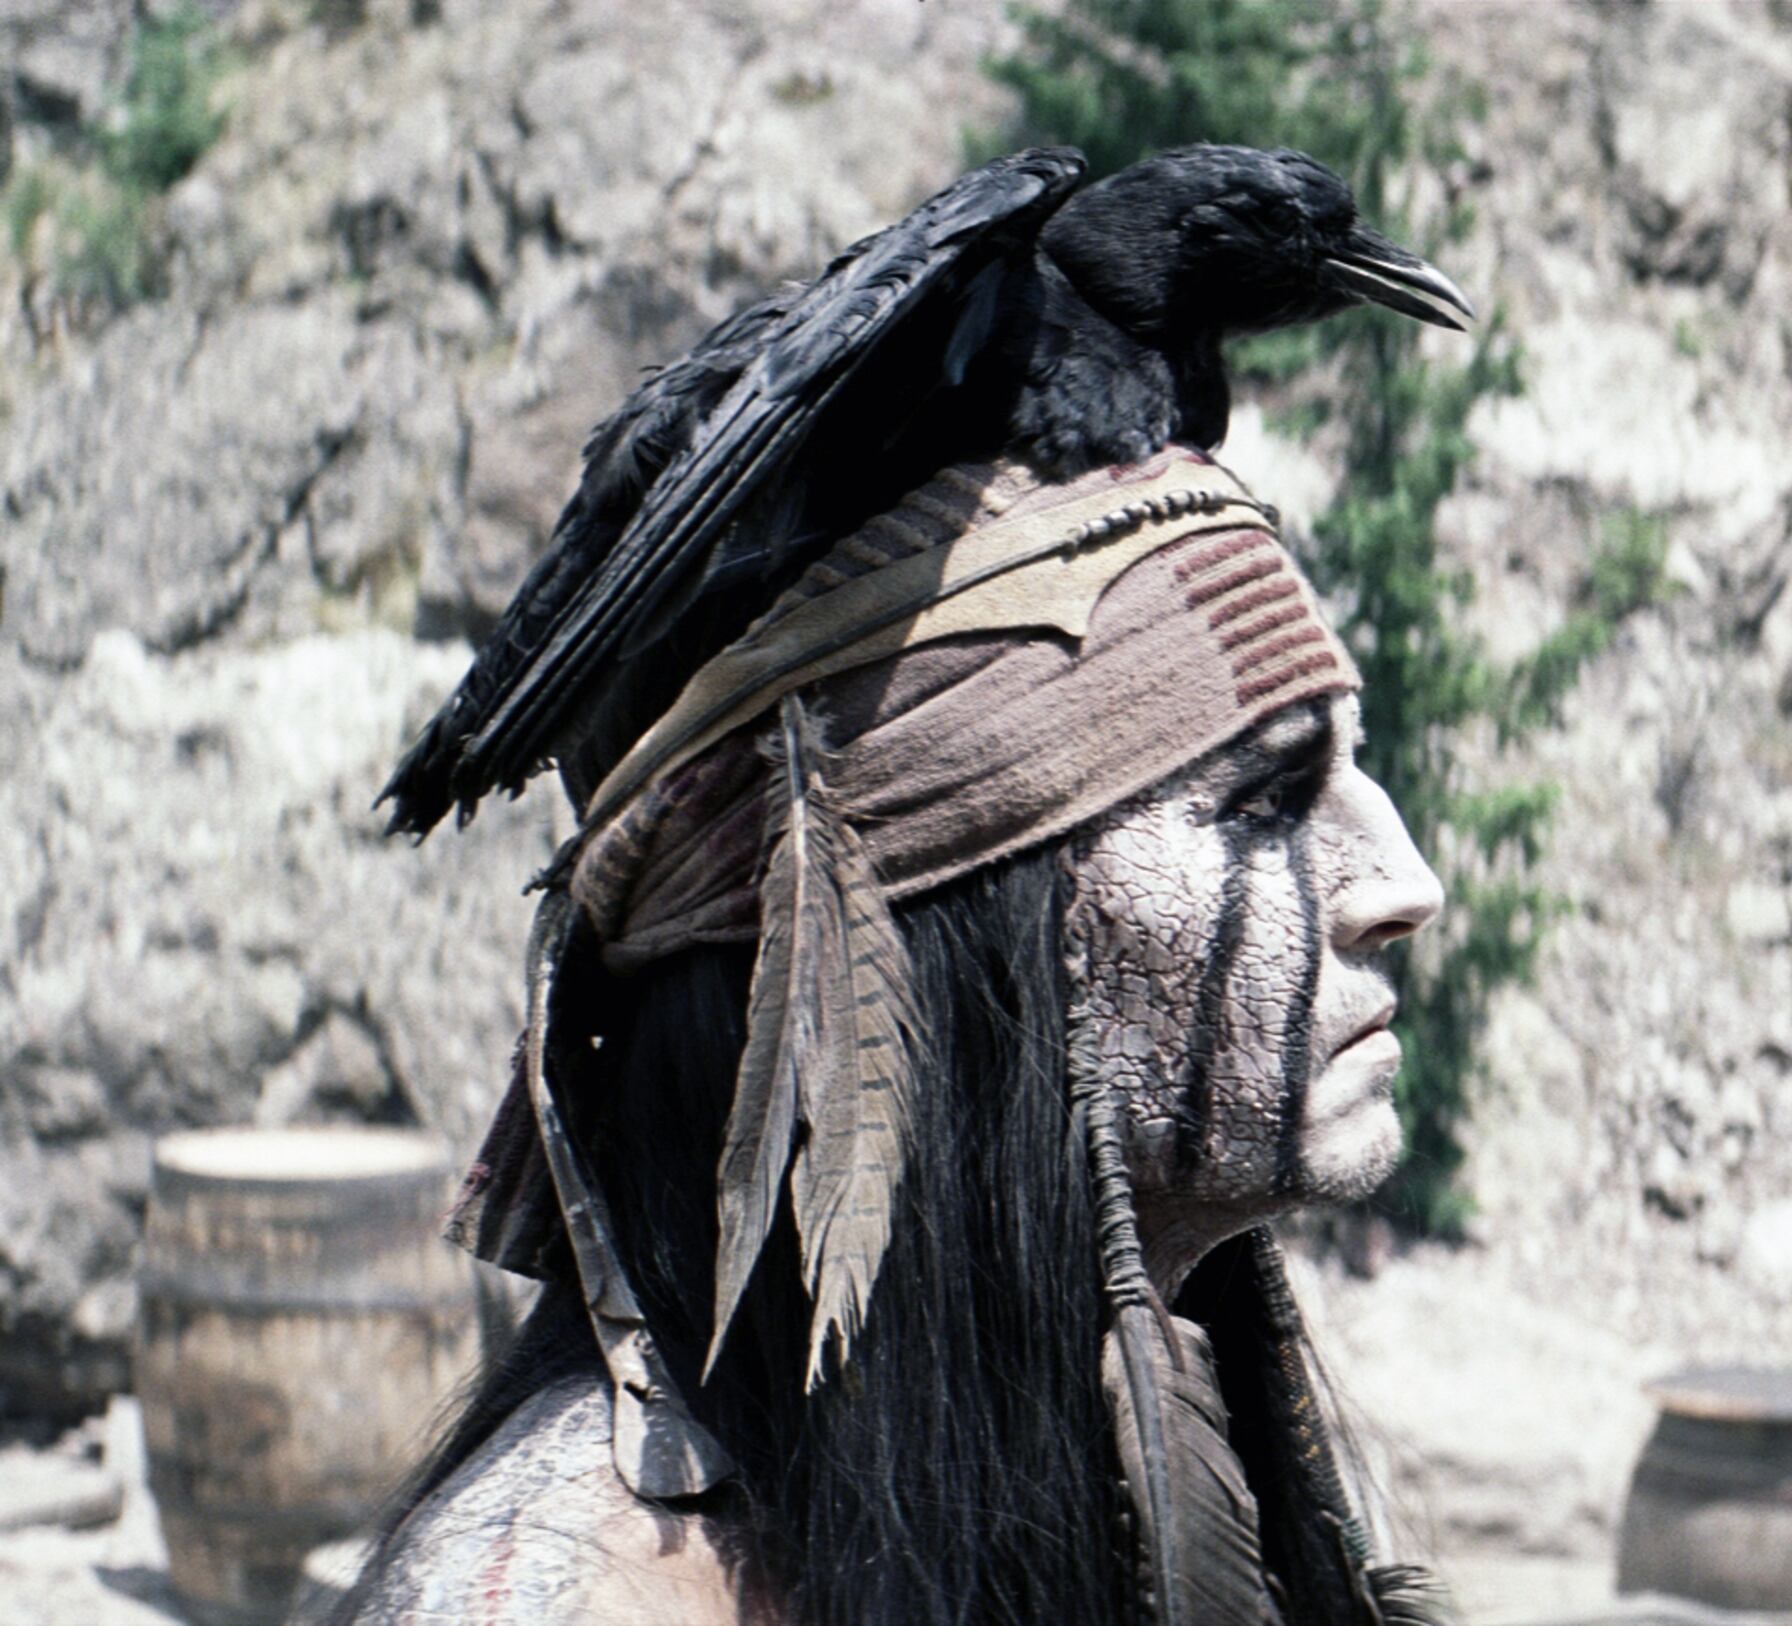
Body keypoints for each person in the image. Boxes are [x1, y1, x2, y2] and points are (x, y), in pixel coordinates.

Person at [340, 351, 1453, 1621]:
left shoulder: (1088, 1430)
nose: (1404, 884)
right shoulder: (576, 1597)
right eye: (1263, 804)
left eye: (1353, 774)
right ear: (946, 938)